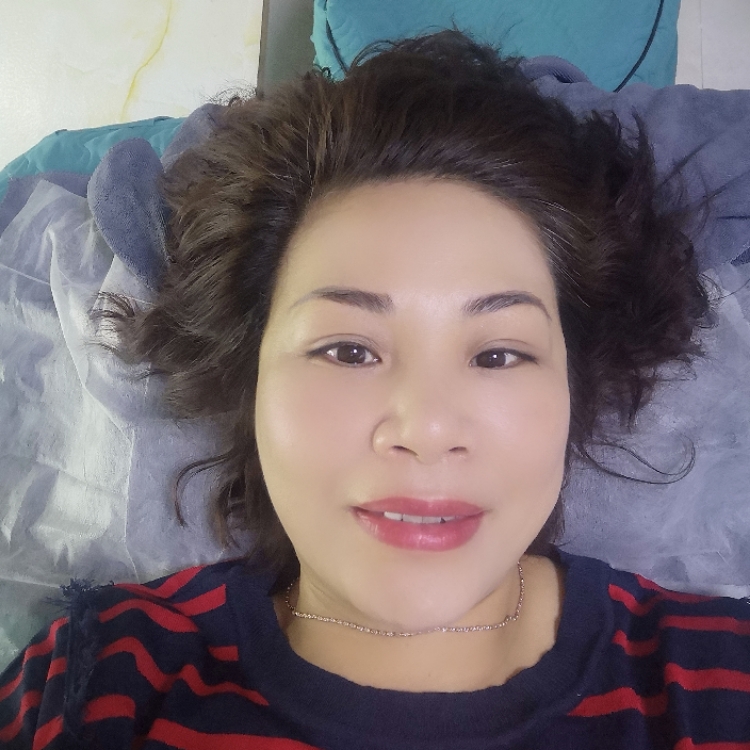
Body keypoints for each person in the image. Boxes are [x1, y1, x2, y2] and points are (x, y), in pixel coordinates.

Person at [1, 29, 749, 750]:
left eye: (498, 355)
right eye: (349, 350)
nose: (425, 429)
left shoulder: (718, 682)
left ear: (575, 388)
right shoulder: (98, 683)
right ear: (249, 380)